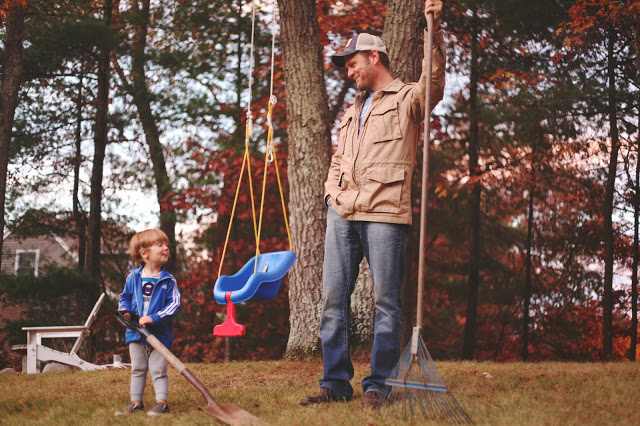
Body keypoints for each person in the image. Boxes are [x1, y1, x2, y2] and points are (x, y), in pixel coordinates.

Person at [300, 0, 446, 408]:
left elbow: (433, 85)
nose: (349, 73)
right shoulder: (352, 111)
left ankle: (379, 385)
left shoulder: (406, 99)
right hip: (342, 212)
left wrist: (434, 30)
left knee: (386, 302)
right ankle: (335, 383)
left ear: (373, 56)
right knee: (332, 299)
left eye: (352, 64)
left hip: (385, 213)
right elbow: (338, 161)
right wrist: (331, 195)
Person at [115, 229, 182, 416]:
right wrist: (125, 311)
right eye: (160, 245)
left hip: (159, 334)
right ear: (144, 253)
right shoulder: (133, 277)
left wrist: (154, 318)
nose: (166, 248)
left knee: (158, 369)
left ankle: (162, 403)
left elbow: (175, 304)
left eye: (166, 245)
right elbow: (125, 297)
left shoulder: (168, 280)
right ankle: (136, 402)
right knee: (137, 368)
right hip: (135, 332)